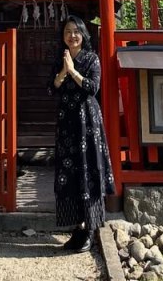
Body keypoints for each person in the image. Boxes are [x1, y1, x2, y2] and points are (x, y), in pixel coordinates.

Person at [48, 14, 115, 253]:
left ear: (83, 35)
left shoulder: (92, 58)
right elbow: (51, 88)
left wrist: (73, 71)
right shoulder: (60, 58)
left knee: (88, 169)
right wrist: (63, 71)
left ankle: (90, 228)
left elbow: (92, 87)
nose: (72, 36)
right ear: (63, 36)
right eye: (68, 31)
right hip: (67, 123)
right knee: (70, 173)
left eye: (76, 31)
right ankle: (77, 227)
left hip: (87, 121)